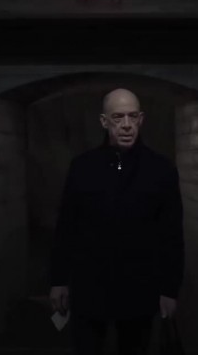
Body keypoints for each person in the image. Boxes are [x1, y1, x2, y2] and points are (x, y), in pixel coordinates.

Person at [49, 88, 185, 355]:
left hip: (139, 286)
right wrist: (59, 280)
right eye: (118, 117)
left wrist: (169, 290)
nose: (126, 125)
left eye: (132, 117)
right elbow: (66, 226)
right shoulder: (83, 166)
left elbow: (171, 235)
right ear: (104, 121)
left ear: (141, 119)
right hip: (90, 284)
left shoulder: (161, 169)